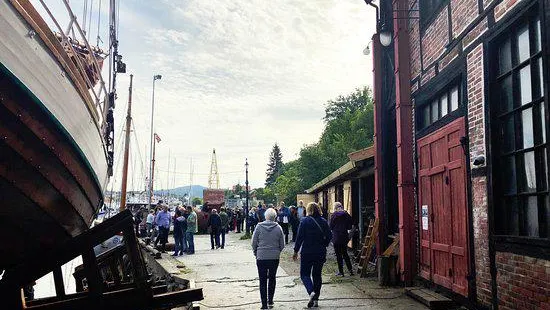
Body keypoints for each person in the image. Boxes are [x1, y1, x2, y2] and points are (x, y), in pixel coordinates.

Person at [293, 202, 332, 308]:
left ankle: (311, 292)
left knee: (304, 274)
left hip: (307, 252)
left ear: (308, 210)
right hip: (320, 252)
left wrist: (296, 251)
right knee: (317, 275)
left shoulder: (304, 221)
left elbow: (299, 237)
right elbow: (329, 235)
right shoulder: (323, 221)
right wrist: (324, 244)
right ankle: (316, 300)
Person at [252, 208, 285, 310]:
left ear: (265, 216)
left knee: (262, 280)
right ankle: (270, 301)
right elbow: (282, 244)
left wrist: (256, 252)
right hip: (274, 257)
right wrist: (276, 251)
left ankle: (264, 304)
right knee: (272, 278)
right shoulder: (278, 228)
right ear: (275, 217)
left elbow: (254, 242)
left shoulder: (259, 227)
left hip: (261, 256)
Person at [330, 202, 354, 276]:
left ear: (335, 207)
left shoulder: (333, 215)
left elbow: (330, 226)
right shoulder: (346, 214)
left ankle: (341, 272)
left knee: (338, 255)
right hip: (344, 236)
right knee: (345, 254)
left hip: (336, 237)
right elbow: (350, 225)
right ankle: (350, 271)